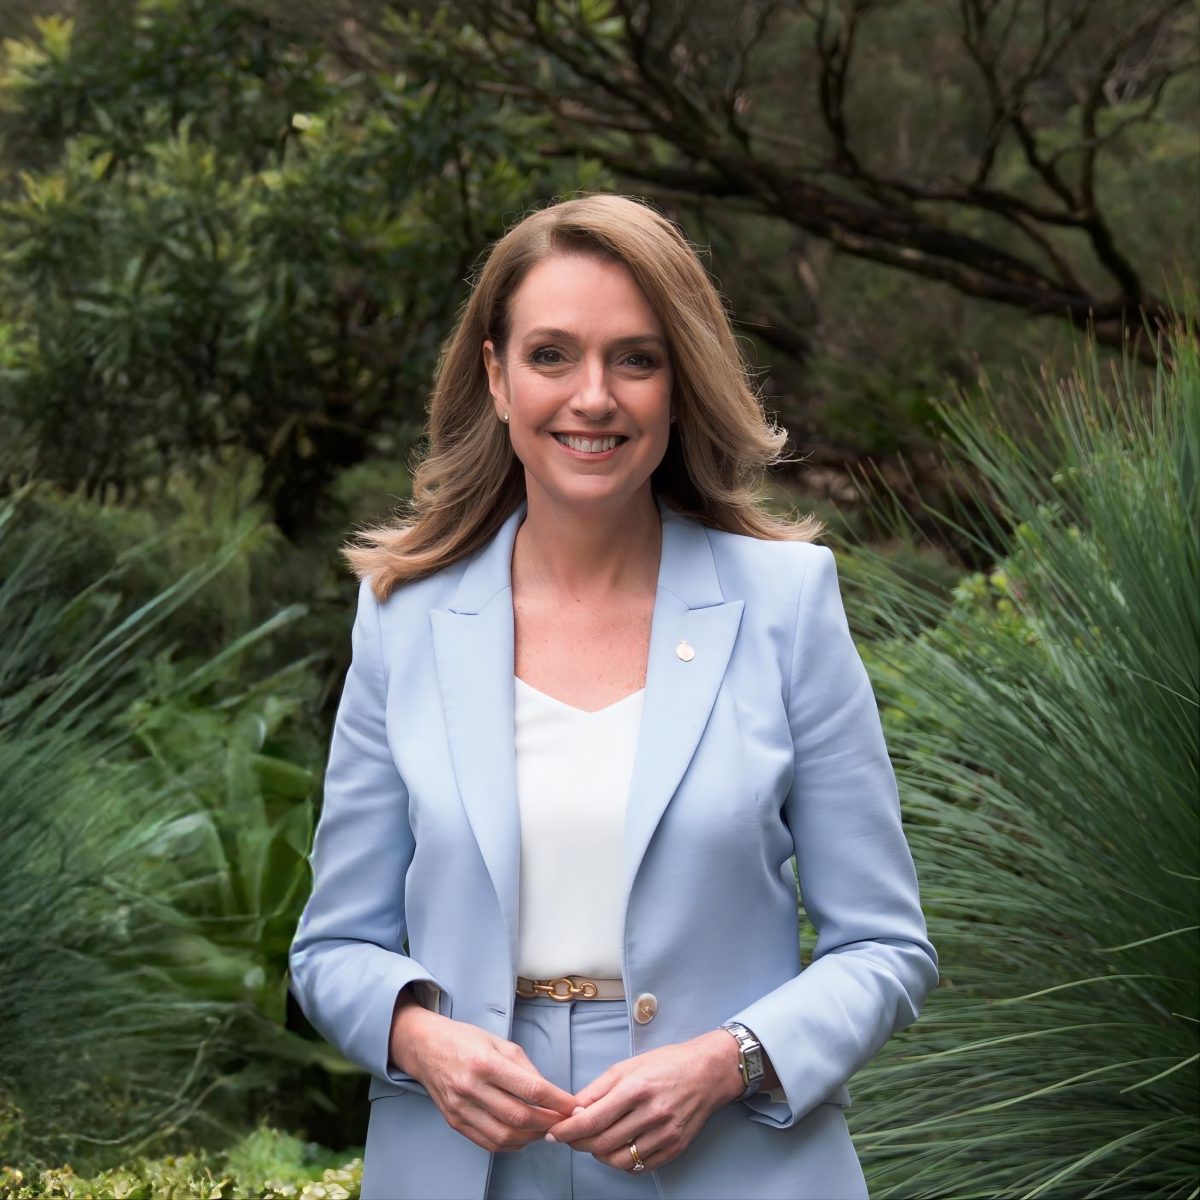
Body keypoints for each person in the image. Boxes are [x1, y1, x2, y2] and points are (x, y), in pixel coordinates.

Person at [287, 193, 938, 1200]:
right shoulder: (403, 619)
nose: (593, 396)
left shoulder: (785, 606)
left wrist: (730, 1061)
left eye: (635, 359)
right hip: (466, 1167)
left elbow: (887, 946)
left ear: (678, 387)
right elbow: (333, 948)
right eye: (552, 356)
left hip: (731, 1162)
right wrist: (425, 1044)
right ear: (497, 377)